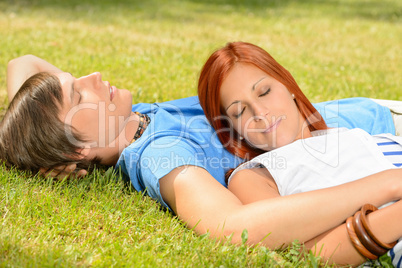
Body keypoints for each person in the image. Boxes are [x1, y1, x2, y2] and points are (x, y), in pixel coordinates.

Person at [1, 55, 402, 267]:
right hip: (379, 145)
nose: (93, 77)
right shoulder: (159, 154)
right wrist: (387, 183)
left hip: (366, 122)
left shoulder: (128, 119)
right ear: (78, 149)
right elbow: (231, 228)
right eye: (77, 95)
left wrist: (37, 144)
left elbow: (26, 62)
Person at [197, 41, 402, 266]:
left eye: (264, 92)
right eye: (240, 111)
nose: (261, 113)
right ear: (233, 129)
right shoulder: (255, 175)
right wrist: (390, 185)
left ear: (289, 85)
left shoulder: (351, 134)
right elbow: (311, 253)